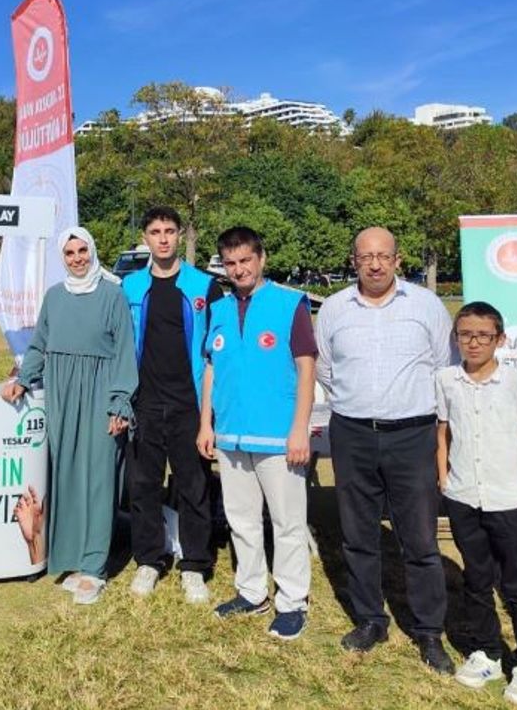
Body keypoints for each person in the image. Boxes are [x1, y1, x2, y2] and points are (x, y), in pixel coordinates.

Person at [314, 226, 455, 673]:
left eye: (383, 255)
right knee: (358, 535)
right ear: (353, 261)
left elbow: (442, 366)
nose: (374, 264)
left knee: (419, 539)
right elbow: (326, 369)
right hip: (353, 434)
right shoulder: (335, 309)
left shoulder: (426, 306)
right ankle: (371, 619)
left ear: (398, 259)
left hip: (412, 435)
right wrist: (363, 405)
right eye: (365, 256)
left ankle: (429, 632)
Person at [0, 227, 137, 605]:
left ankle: (95, 567)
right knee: (67, 474)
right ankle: (74, 559)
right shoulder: (55, 296)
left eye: (82, 251)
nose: (77, 258)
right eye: (70, 253)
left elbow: (125, 350)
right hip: (61, 393)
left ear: (92, 252)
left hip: (98, 391)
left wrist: (119, 402)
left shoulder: (112, 295)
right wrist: (24, 379)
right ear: (63, 258)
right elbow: (40, 343)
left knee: (97, 478)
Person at [196, 226, 315, 640]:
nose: (239, 269)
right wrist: (206, 423)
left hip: (279, 436)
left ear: (261, 259)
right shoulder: (220, 308)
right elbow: (211, 367)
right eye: (230, 263)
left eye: (246, 260)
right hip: (230, 436)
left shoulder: (289, 305)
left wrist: (300, 428)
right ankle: (251, 592)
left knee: (287, 522)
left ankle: (292, 600)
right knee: (241, 520)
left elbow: (306, 368)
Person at [437, 302, 517, 705]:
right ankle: (485, 650)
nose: (474, 342)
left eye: (483, 335)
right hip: (465, 496)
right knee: (476, 578)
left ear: (499, 340)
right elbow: (444, 431)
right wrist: (444, 477)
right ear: (456, 338)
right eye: (466, 334)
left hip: (510, 500)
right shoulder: (447, 380)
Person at [120, 206, 216, 604]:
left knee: (193, 485)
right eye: (155, 231)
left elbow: (215, 351)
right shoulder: (128, 287)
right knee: (143, 485)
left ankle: (194, 564)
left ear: (180, 236)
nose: (162, 238)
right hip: (145, 402)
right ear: (145, 237)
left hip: (188, 404)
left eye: (170, 231)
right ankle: (150, 559)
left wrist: (209, 412)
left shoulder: (204, 287)